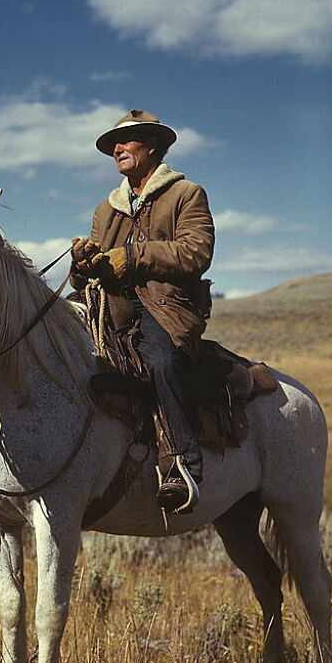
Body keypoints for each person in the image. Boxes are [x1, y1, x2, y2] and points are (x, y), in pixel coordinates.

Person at [71, 109, 215, 513]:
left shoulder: (186, 194)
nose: (117, 149)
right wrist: (83, 265)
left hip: (165, 306)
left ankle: (182, 462)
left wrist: (133, 257)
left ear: (152, 146)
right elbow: (96, 270)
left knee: (162, 361)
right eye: (113, 146)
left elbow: (195, 252)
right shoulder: (106, 209)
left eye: (127, 141)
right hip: (109, 305)